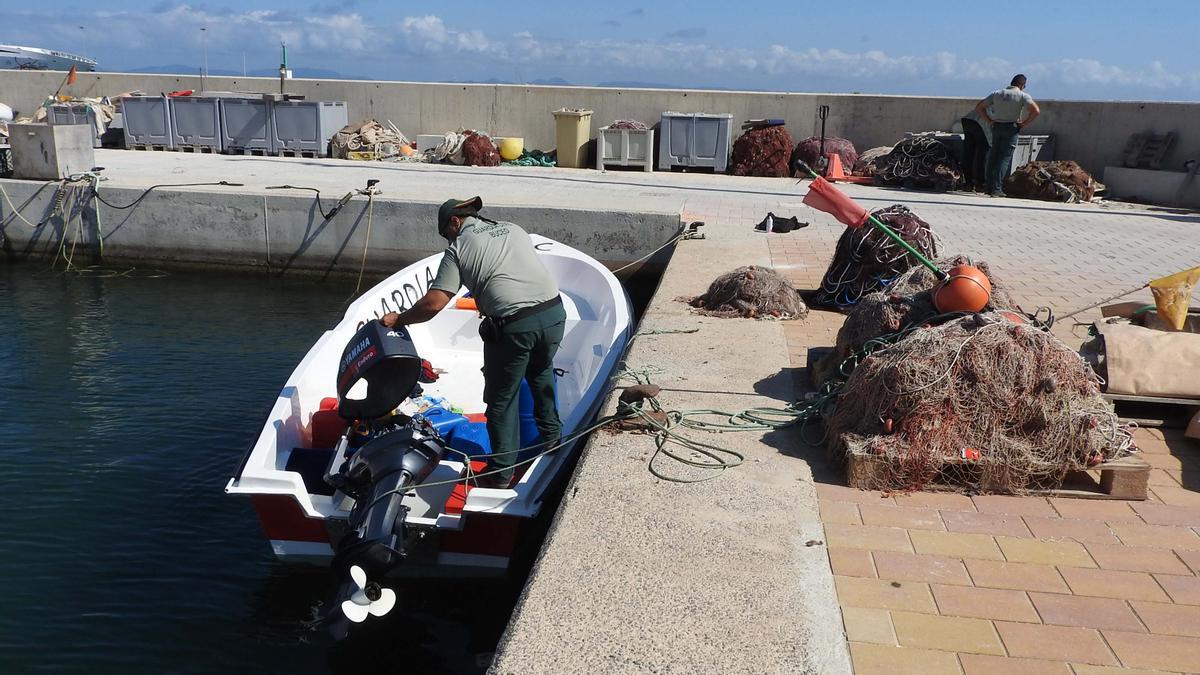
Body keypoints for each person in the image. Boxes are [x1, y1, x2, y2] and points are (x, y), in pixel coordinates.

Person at [379, 197, 565, 489]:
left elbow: (434, 303)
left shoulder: (457, 250)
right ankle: (554, 440)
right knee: (540, 373)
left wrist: (399, 319)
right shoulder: (513, 228)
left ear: (455, 222)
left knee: (502, 401)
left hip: (515, 327)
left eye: (446, 233)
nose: (447, 239)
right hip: (554, 314)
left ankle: (501, 473)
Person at [975, 74, 1041, 197]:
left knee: (993, 156)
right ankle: (996, 188)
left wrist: (989, 120)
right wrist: (1024, 123)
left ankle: (988, 187)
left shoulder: (997, 93)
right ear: (1022, 85)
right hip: (1011, 127)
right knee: (1003, 158)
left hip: (997, 126)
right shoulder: (1022, 95)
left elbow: (979, 107)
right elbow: (1036, 111)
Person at [959, 107, 990, 192]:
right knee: (982, 154)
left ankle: (968, 183)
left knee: (968, 153)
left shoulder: (996, 98)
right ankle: (981, 184)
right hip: (979, 123)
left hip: (968, 119)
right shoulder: (1009, 106)